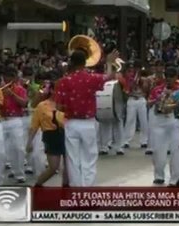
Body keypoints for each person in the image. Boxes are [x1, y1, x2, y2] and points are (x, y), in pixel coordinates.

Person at [55, 48, 119, 187]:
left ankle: (76, 192)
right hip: (88, 123)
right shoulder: (91, 78)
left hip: (71, 122)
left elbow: (58, 107)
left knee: (72, 159)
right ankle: (87, 192)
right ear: (85, 62)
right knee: (89, 159)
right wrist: (109, 62)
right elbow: (108, 77)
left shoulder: (63, 81)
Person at [26, 80, 67, 187]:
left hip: (66, 135)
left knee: (68, 167)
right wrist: (29, 142)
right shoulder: (42, 106)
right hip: (51, 136)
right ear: (52, 90)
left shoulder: (66, 103)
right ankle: (38, 185)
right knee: (53, 168)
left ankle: (66, 190)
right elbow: (34, 125)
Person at [149, 67, 177, 185]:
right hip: (159, 120)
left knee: (176, 150)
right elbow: (148, 102)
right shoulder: (157, 89)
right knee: (158, 150)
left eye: (172, 76)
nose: (170, 78)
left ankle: (176, 177)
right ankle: (159, 175)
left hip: (174, 119)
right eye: (168, 75)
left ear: (176, 77)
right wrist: (158, 99)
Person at [1, 67, 28, 183]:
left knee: (19, 148)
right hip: (1, 120)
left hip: (16, 120)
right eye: (5, 78)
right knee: (0, 150)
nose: (8, 80)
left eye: (10, 78)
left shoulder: (20, 89)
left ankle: (19, 174)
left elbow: (24, 103)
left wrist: (11, 94)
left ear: (14, 78)